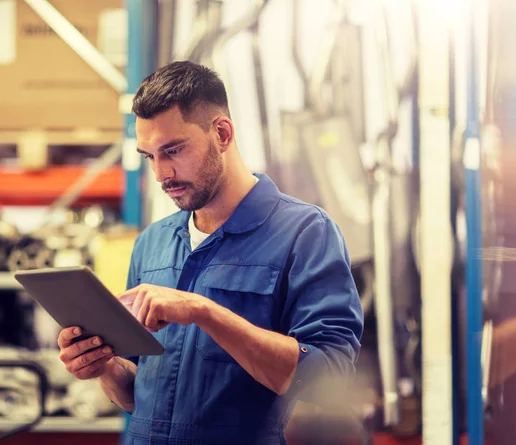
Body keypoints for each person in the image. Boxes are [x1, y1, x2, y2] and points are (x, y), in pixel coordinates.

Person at [57, 61, 364, 445]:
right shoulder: (152, 243)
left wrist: (205, 312)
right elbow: (140, 396)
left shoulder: (305, 233)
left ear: (221, 132)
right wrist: (102, 366)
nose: (161, 174)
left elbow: (328, 379)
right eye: (150, 156)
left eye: (173, 150)